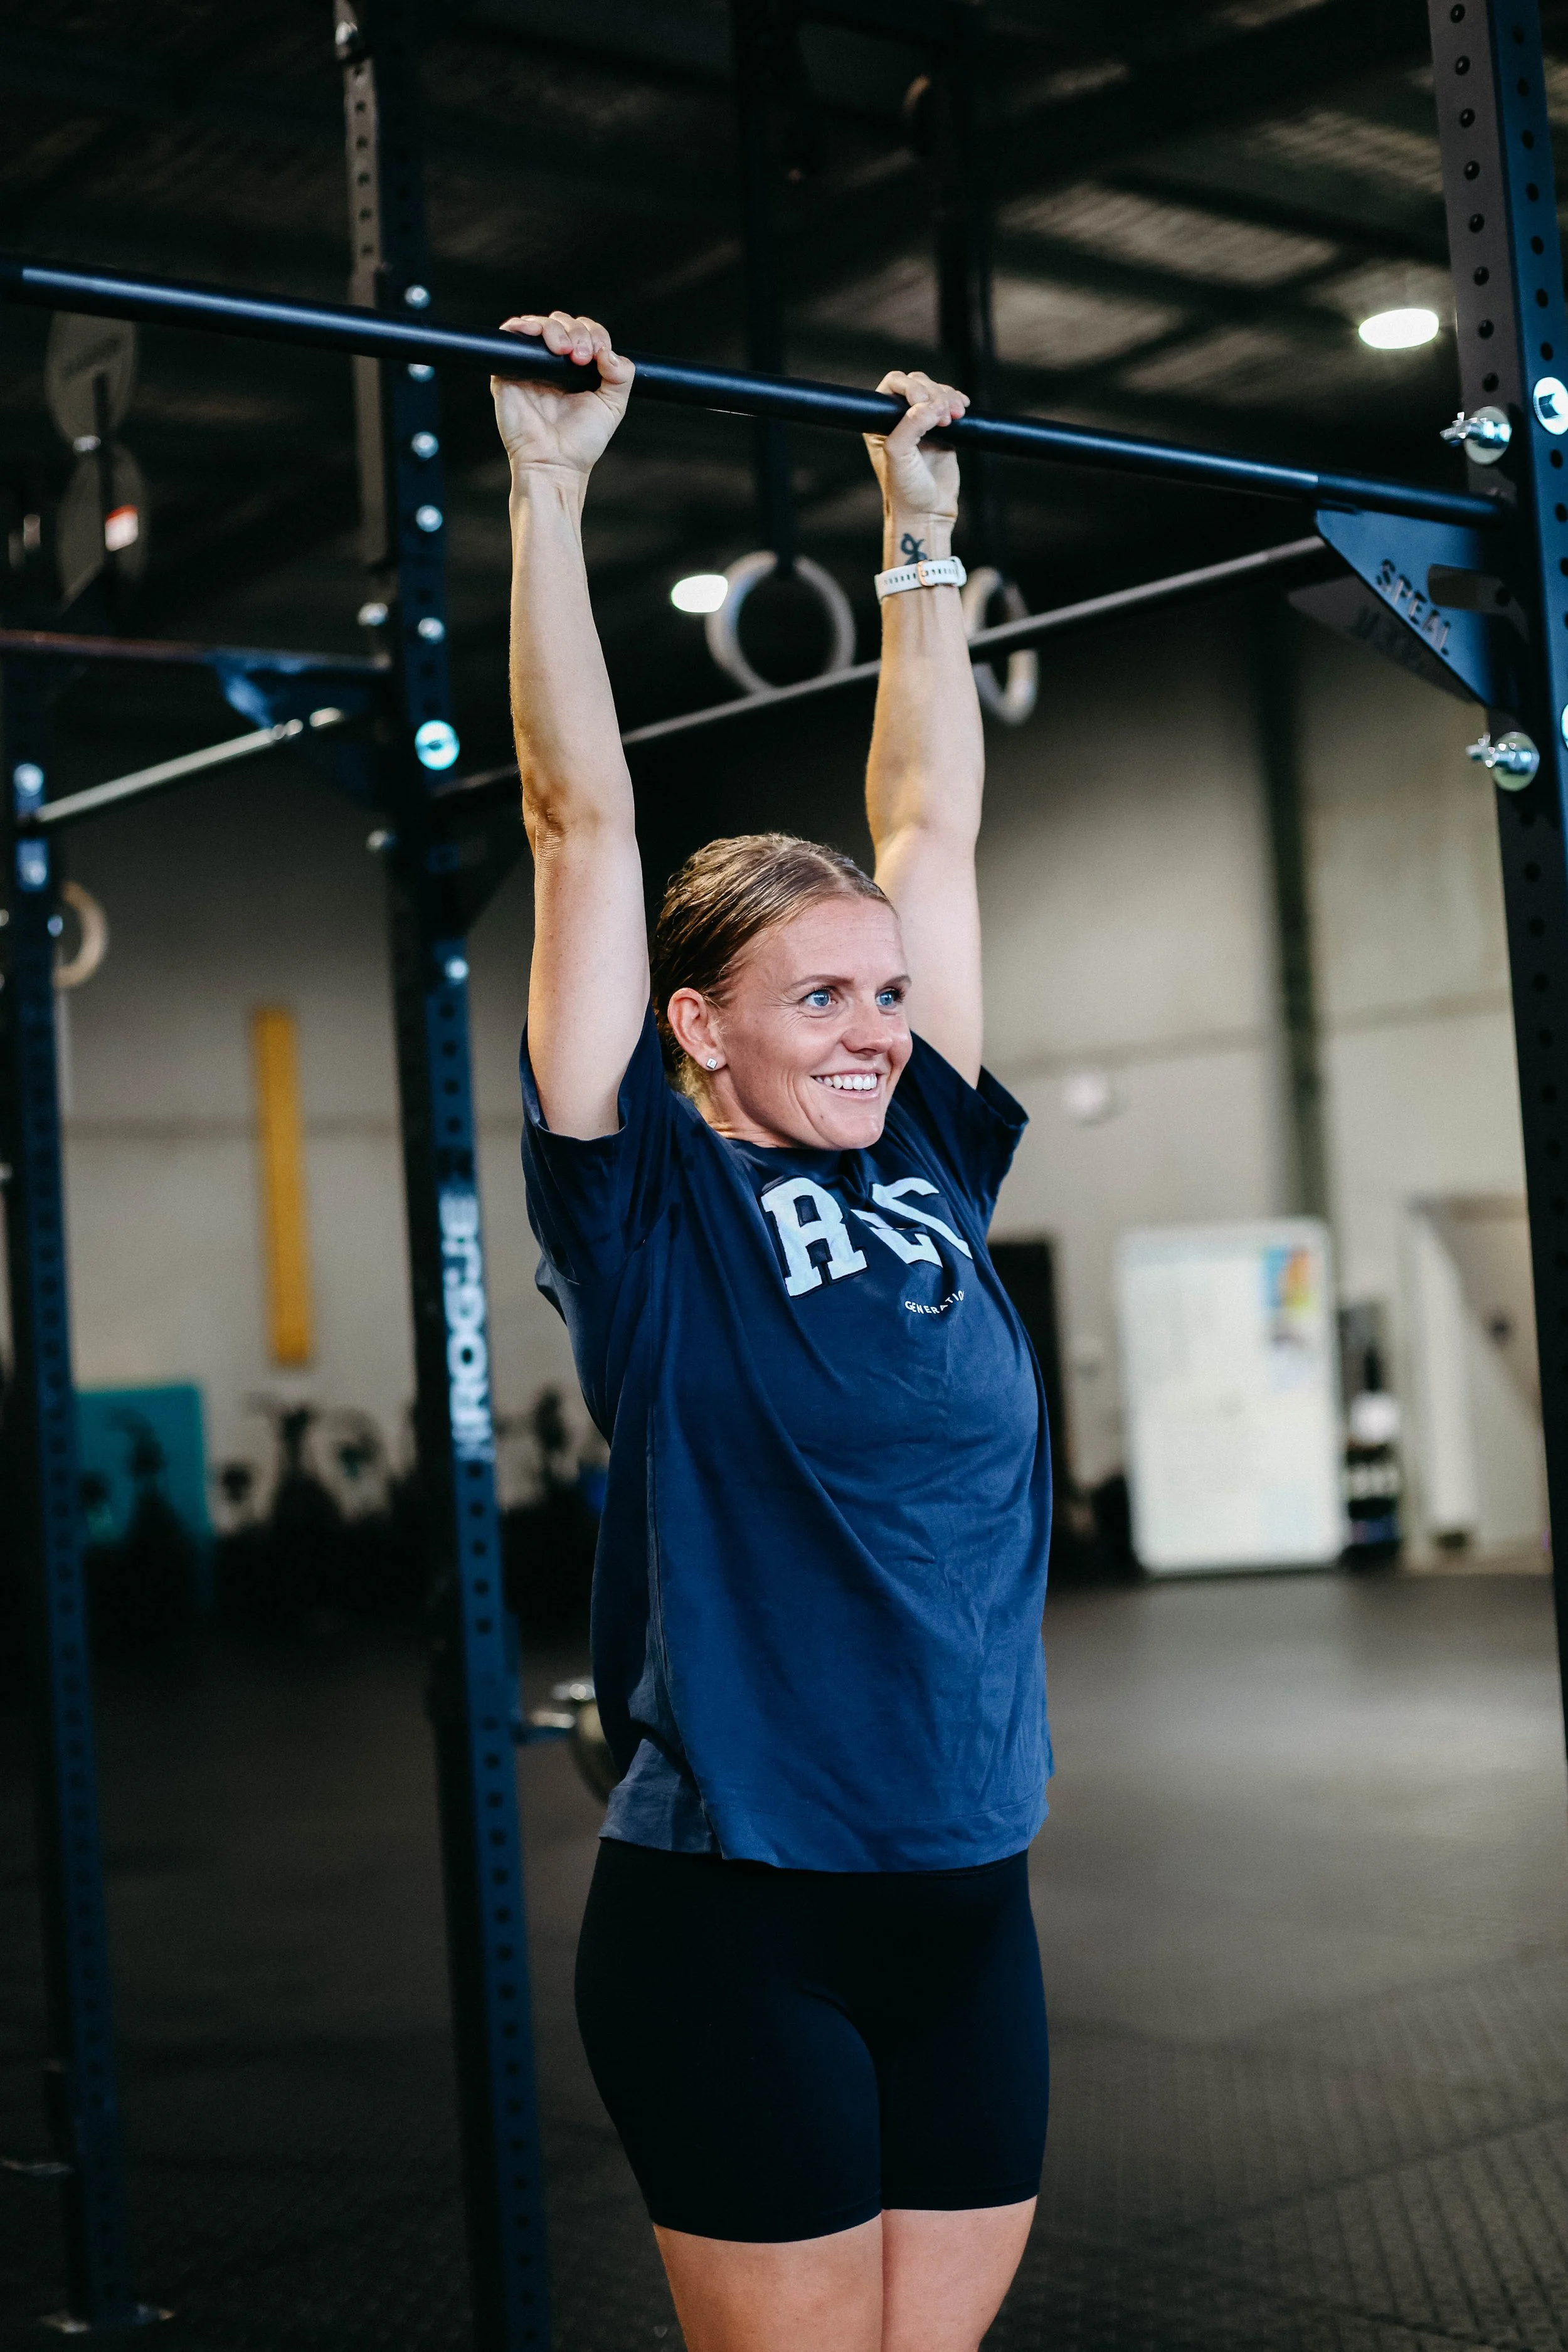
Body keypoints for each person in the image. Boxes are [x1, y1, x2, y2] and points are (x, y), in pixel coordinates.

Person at [495, 309, 1052, 2352]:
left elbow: (931, 828)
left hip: (970, 1906)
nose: (874, 1030)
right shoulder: (646, 1203)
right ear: (697, 1026)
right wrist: (549, 485)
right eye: (819, 997)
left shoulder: (933, 1152)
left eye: (885, 994)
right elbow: (580, 827)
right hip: (736, 1920)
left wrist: (918, 528)